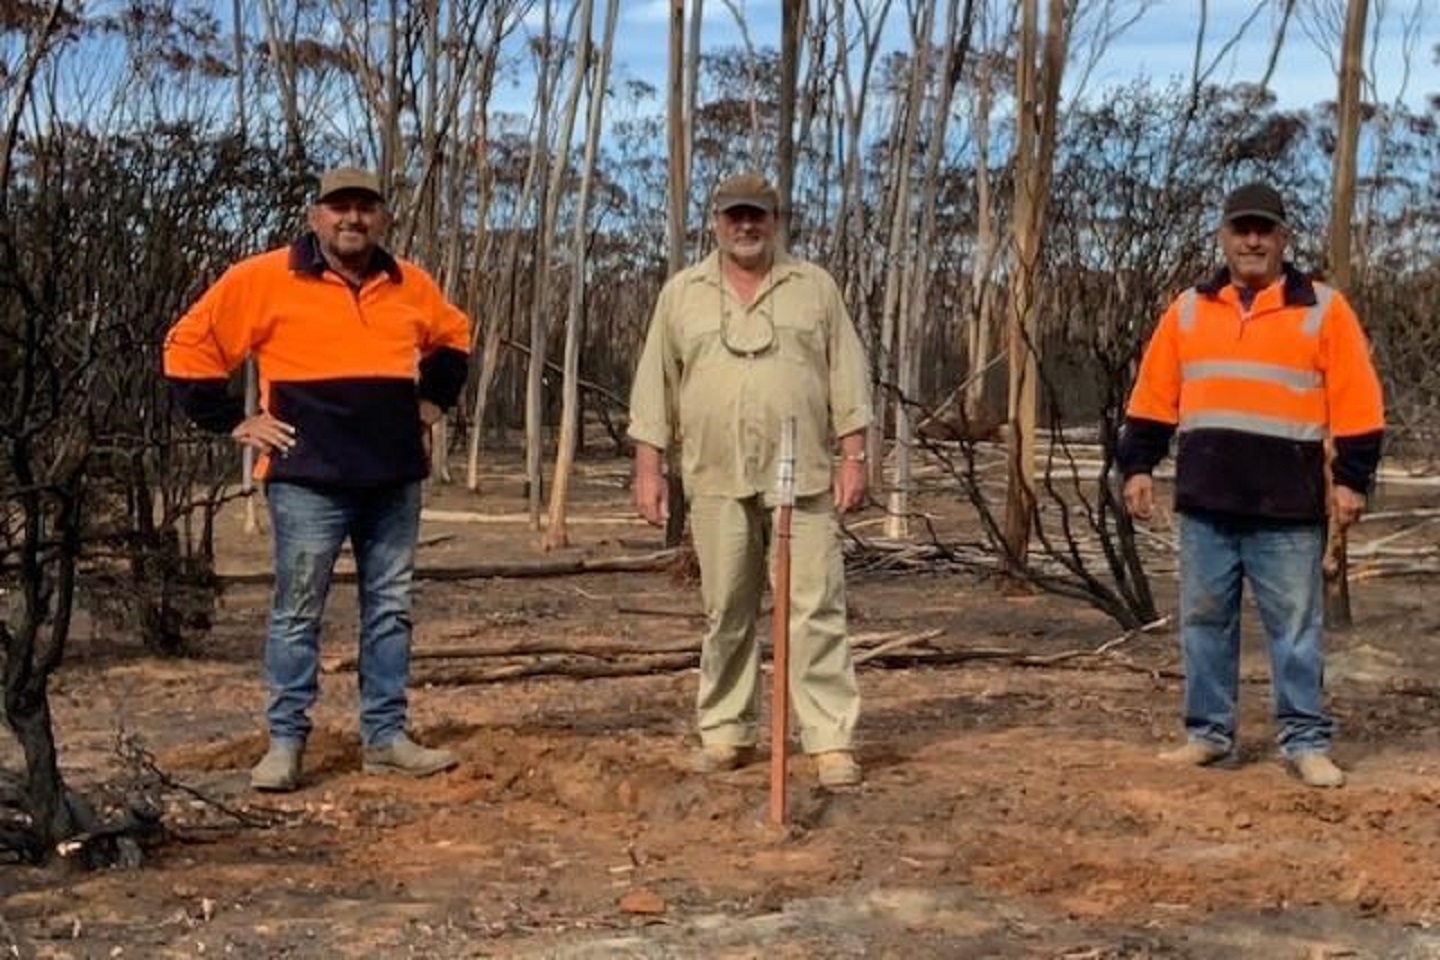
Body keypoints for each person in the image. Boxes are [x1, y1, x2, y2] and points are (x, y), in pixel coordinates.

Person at [164, 167, 471, 792]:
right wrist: (234, 421)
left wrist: (434, 403)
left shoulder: (409, 282)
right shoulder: (263, 278)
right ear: (315, 217)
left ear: (380, 216)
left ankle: (385, 738)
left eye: (364, 207)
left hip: (393, 478)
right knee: (297, 612)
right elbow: (188, 345)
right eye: (339, 208)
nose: (351, 219)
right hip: (307, 479)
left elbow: (454, 336)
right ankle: (285, 745)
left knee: (390, 610)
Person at [1117, 181, 1385, 789]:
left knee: (1294, 629)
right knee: (1204, 622)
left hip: (1289, 510)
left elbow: (1358, 400)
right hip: (1207, 504)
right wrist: (1138, 465)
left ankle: (1305, 741)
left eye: (1265, 229)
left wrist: (1351, 479)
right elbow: (1154, 396)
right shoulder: (1188, 309)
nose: (1253, 240)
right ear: (1224, 236)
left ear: (1284, 237)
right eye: (1242, 229)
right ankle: (1208, 735)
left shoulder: (1323, 308)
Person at [628, 172, 873, 788]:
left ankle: (828, 740)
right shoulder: (682, 293)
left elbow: (847, 375)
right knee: (727, 608)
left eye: (757, 215)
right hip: (714, 475)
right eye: (734, 215)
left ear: (775, 219)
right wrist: (650, 468)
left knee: (815, 605)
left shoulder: (814, 288)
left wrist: (854, 455)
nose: (746, 226)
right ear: (715, 221)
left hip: (805, 478)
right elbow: (655, 384)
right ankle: (726, 731)